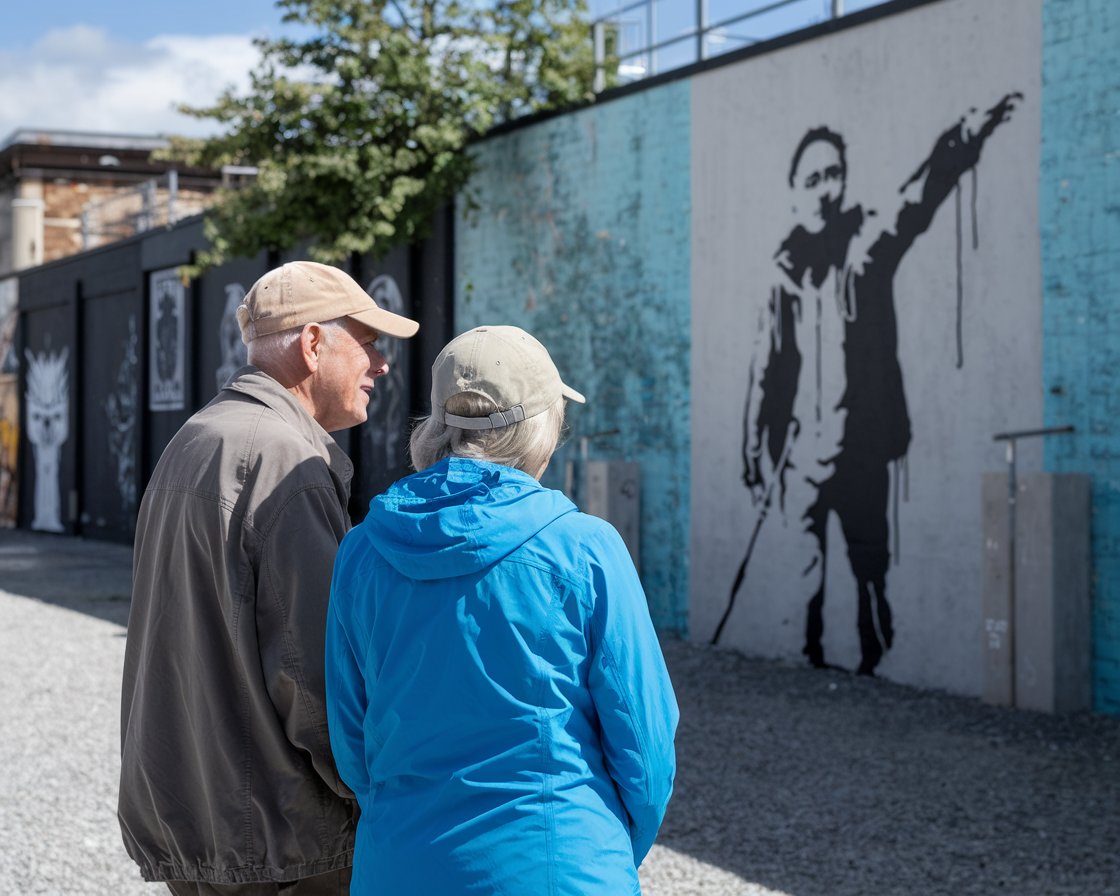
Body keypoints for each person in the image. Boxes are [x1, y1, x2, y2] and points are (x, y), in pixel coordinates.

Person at [324, 325, 679, 895]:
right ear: (540, 427)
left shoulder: (362, 550)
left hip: (401, 864)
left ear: (437, 425)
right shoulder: (586, 548)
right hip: (558, 864)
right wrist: (604, 845)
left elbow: (352, 740)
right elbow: (644, 739)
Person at [118, 260, 420, 895]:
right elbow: (314, 679)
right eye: (367, 344)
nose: (381, 366)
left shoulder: (195, 437)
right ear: (313, 344)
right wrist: (381, 795)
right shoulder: (288, 460)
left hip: (197, 815)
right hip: (279, 839)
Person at [738, 93, 1020, 674]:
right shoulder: (780, 275)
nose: (825, 186)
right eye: (812, 177)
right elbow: (763, 375)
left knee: (872, 570)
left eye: (833, 174)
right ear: (794, 188)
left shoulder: (865, 245)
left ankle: (875, 667)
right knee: (804, 575)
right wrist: (753, 454)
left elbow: (917, 198)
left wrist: (964, 138)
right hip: (801, 457)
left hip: (862, 450)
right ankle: (810, 665)